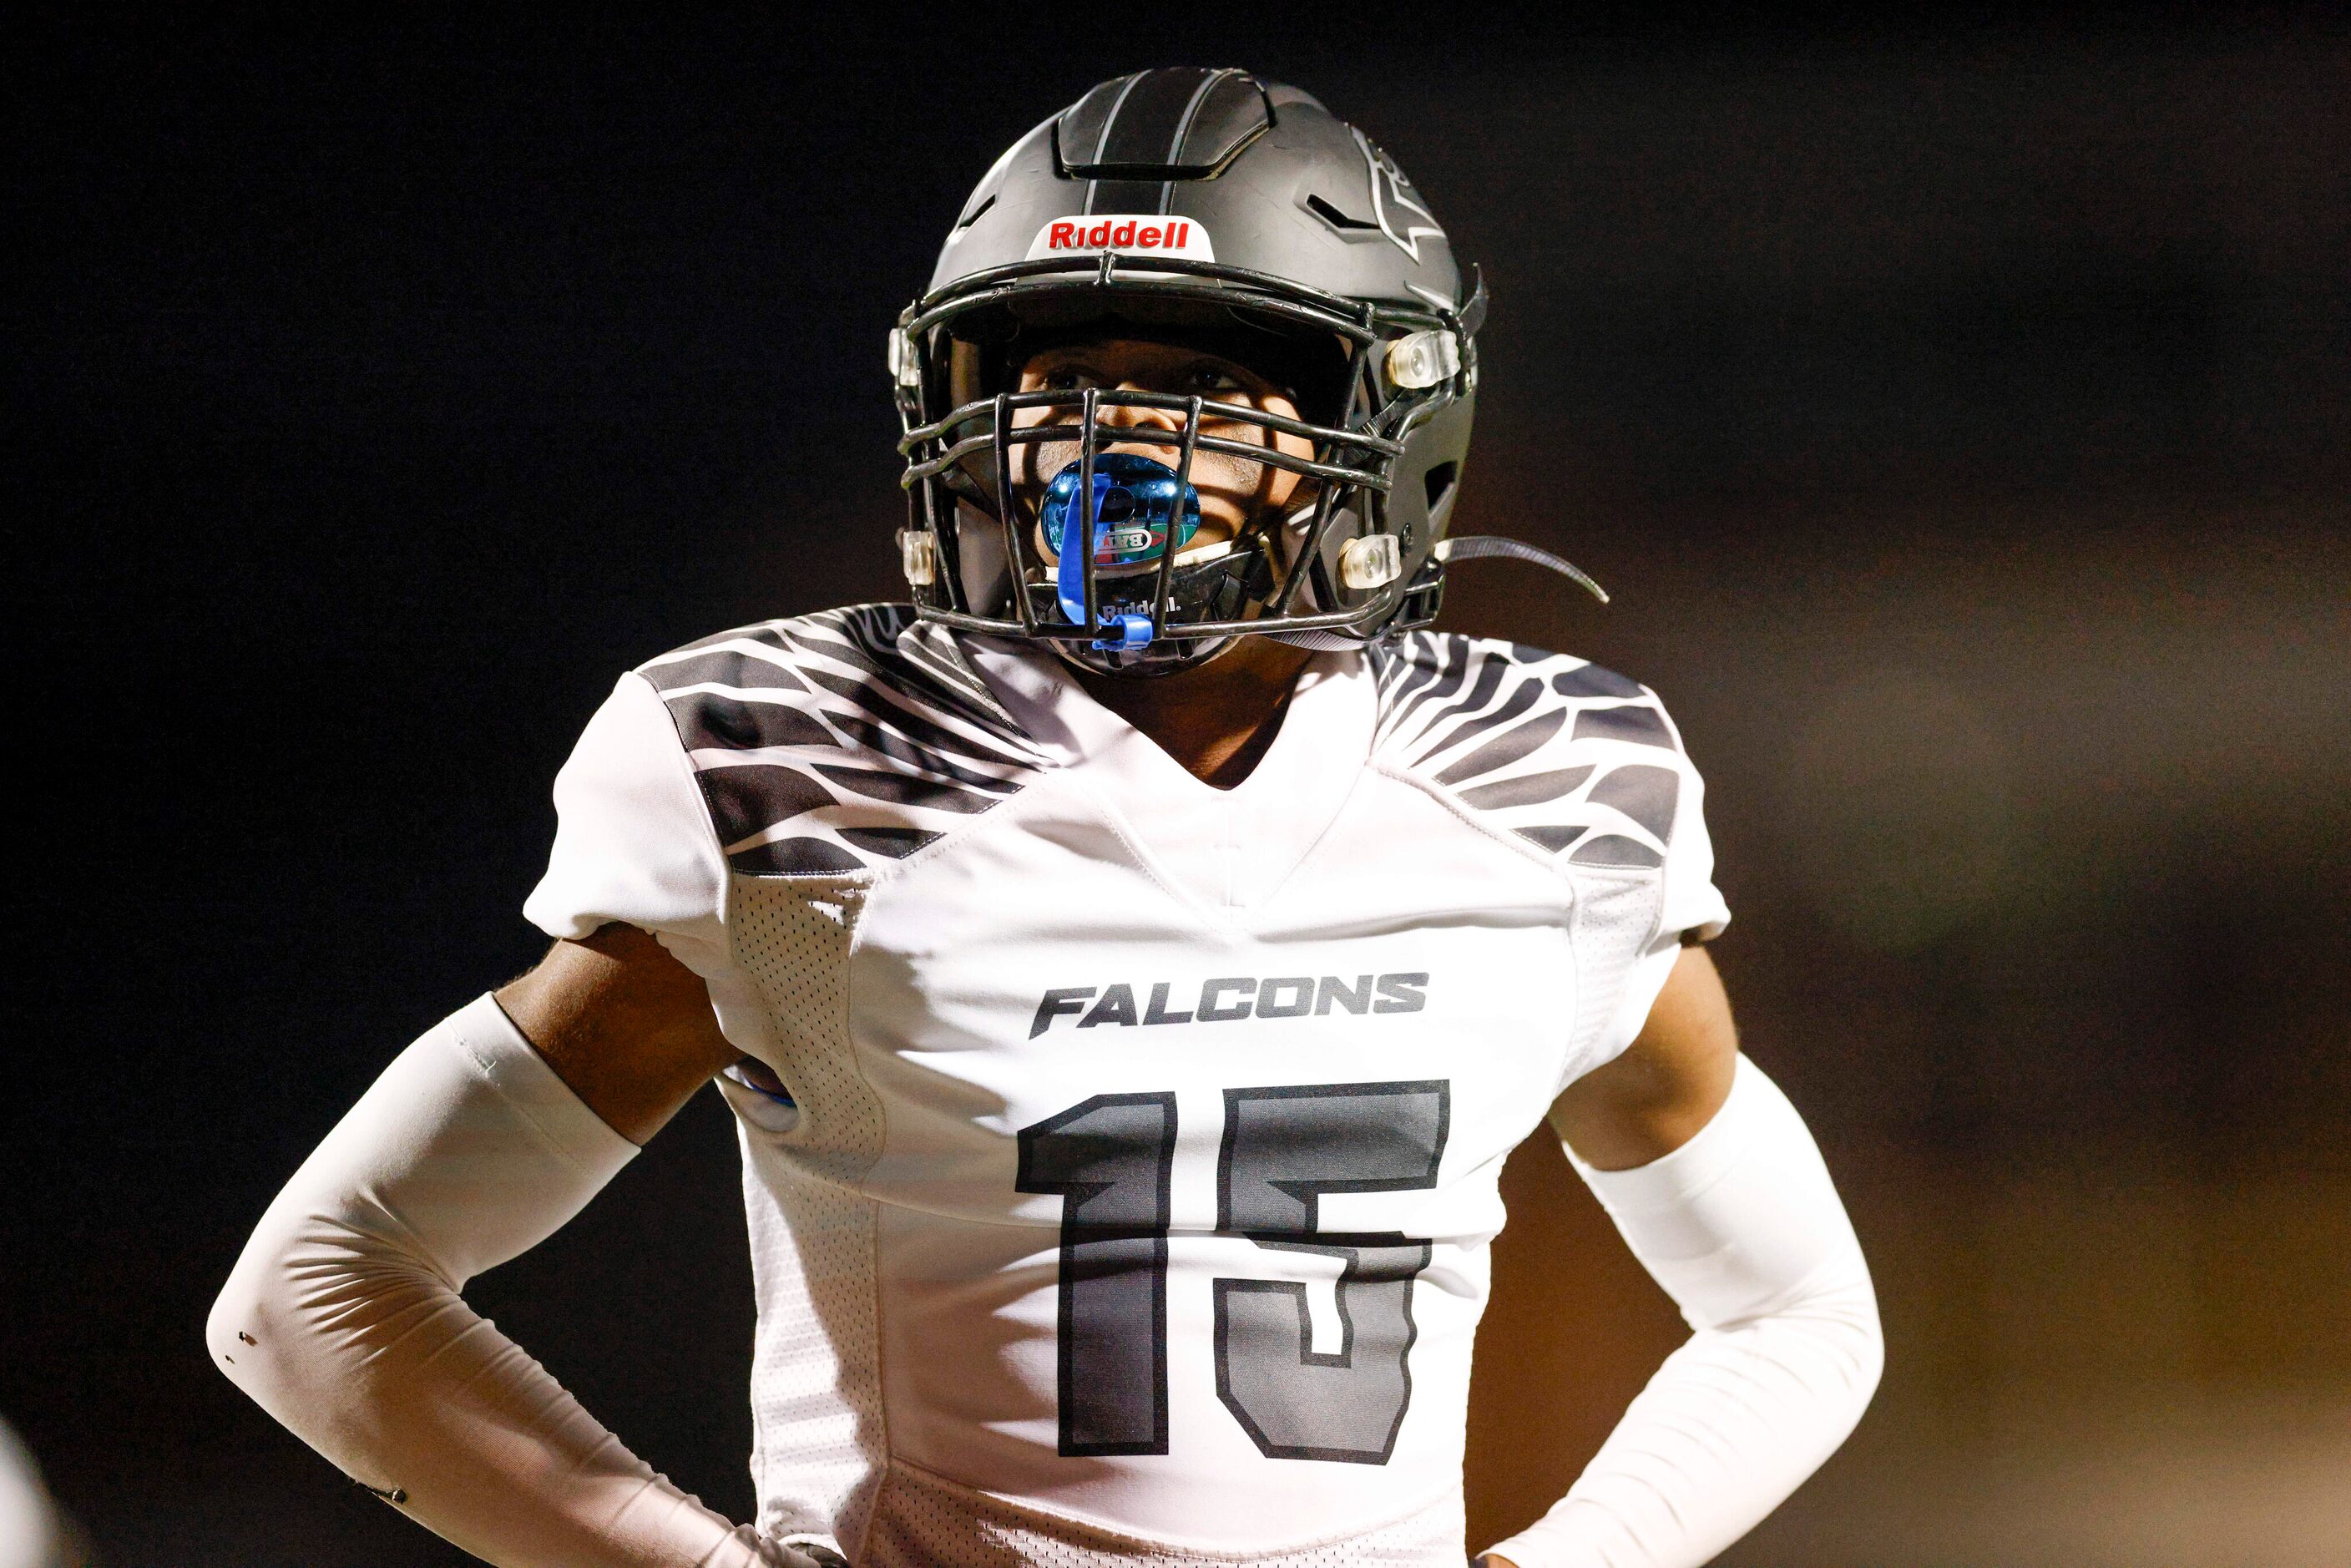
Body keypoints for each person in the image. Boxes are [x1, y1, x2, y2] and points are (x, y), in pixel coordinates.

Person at [210, 68, 1881, 1568]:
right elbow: (317, 1291)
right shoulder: (804, 761)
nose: (1101, 439)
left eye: (1196, 384)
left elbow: (1794, 1316)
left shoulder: (1541, 782)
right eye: (1048, 374)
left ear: (1383, 427)